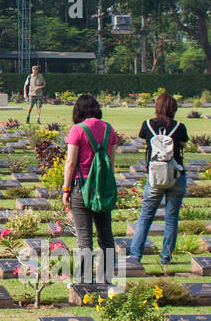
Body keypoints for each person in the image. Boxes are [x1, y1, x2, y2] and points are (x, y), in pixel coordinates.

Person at [61, 93, 118, 283]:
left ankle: (84, 281)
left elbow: (70, 162)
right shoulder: (110, 130)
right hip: (102, 189)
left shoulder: (77, 130)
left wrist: (66, 189)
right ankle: (106, 278)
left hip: (80, 186)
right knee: (106, 236)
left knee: (84, 238)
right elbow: (111, 163)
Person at [128, 93, 190, 266]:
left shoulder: (148, 125)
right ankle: (166, 257)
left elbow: (143, 139)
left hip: (155, 177)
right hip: (176, 176)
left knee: (145, 217)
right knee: (171, 218)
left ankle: (135, 255)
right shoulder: (179, 126)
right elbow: (184, 144)